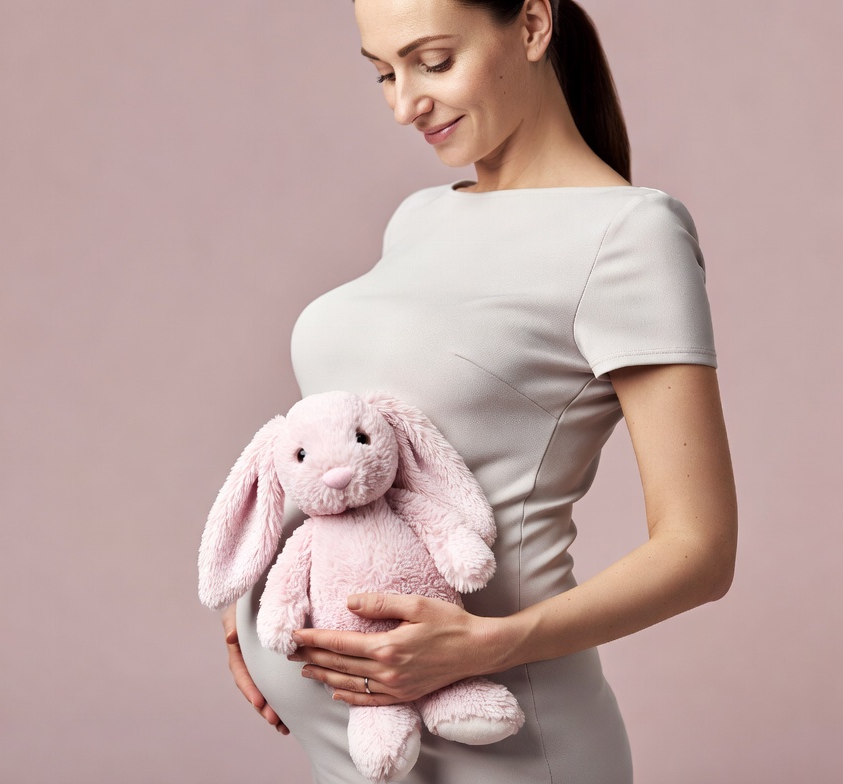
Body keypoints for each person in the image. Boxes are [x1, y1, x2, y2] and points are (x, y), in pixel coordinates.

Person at [215, 0, 738, 781]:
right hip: (362, 744)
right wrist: (262, 593)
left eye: (431, 62)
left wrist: (486, 644)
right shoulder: (419, 218)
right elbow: (359, 448)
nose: (403, 105)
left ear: (531, 24)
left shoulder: (630, 234)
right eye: (383, 74)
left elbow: (701, 550)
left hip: (507, 741)